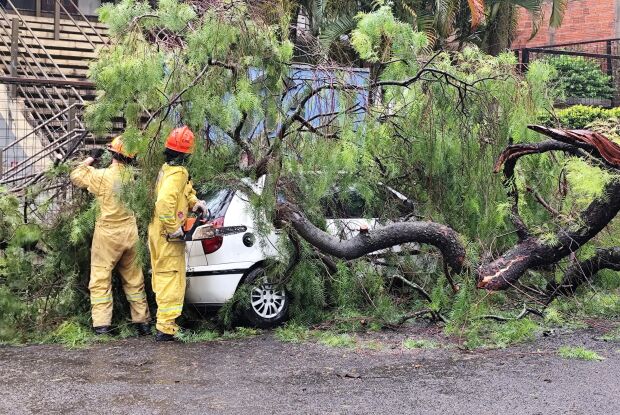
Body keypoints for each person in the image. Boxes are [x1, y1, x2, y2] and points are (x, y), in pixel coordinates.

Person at [70, 136, 151, 335]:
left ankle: (102, 326)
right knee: (134, 279)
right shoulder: (132, 179)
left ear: (112, 154)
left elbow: (76, 175)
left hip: (107, 234)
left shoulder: (103, 176)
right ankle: (143, 322)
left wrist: (91, 159)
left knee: (100, 278)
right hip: (130, 234)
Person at [148, 126, 207, 341]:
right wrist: (174, 229)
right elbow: (164, 202)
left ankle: (166, 325)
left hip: (157, 232)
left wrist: (195, 203)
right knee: (170, 278)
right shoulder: (178, 173)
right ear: (187, 154)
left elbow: (183, 192)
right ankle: (165, 329)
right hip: (166, 236)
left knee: (163, 275)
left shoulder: (168, 169)